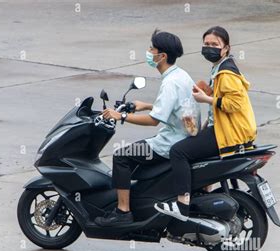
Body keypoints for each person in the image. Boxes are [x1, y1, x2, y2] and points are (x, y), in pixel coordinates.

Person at [95, 29, 200, 226]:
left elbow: (153, 121)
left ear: (162, 56)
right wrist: (146, 105)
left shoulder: (169, 83)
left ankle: (122, 211)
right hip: (186, 137)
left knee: (121, 156)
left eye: (151, 48)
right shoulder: (181, 75)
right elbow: (176, 108)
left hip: (169, 143)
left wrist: (122, 115)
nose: (148, 51)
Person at [155, 26, 257, 222]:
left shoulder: (226, 73)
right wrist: (209, 91)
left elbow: (234, 104)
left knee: (178, 151)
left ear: (225, 48)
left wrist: (206, 99)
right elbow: (224, 97)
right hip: (227, 129)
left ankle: (182, 204)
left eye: (215, 45)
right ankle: (203, 192)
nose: (209, 48)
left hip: (228, 134)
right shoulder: (221, 67)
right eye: (206, 44)